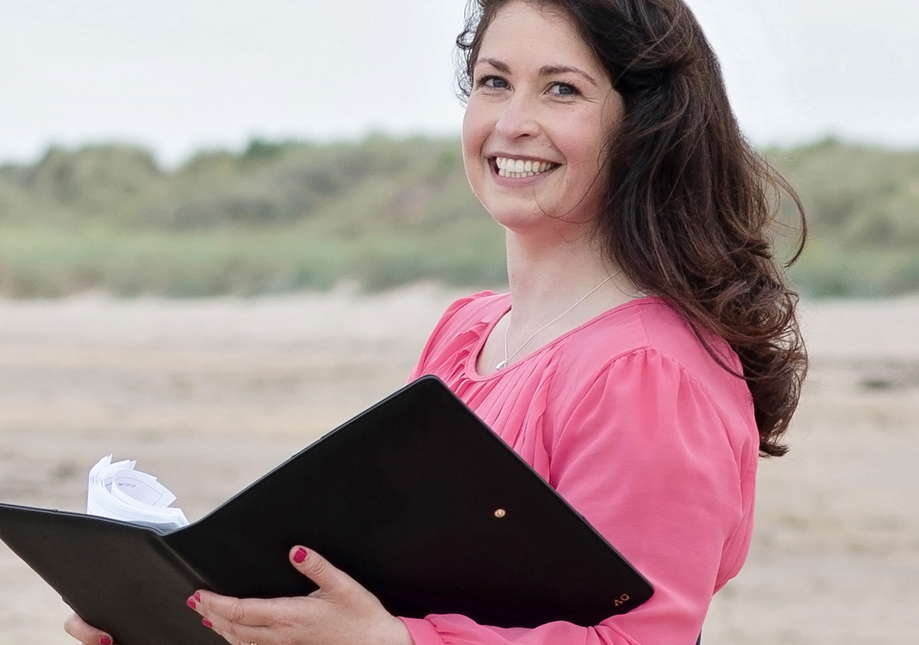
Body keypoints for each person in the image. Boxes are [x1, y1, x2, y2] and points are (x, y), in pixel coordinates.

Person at [65, 0, 807, 643]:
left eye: (561, 89)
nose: (513, 123)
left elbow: (632, 639)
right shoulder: (465, 333)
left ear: (644, 124)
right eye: (493, 82)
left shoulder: (647, 370)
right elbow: (404, 597)